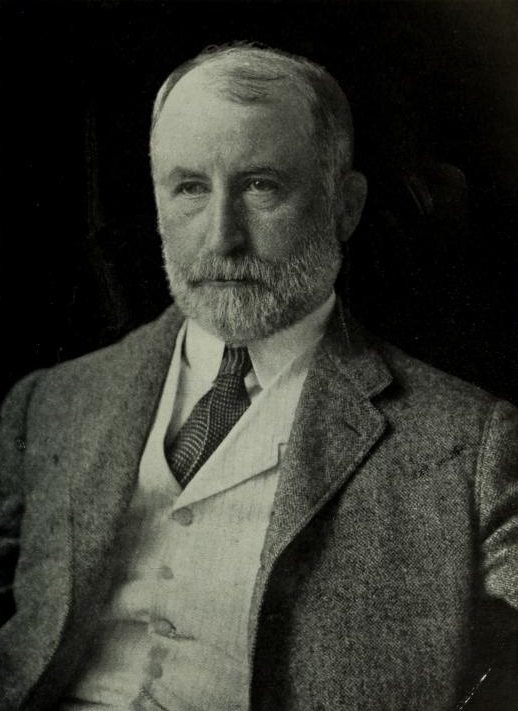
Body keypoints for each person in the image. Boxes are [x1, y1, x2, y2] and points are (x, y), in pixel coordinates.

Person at [0, 43, 517, 711]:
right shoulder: (51, 402)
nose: (222, 238)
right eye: (190, 187)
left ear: (346, 206)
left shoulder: (466, 444)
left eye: (260, 186)